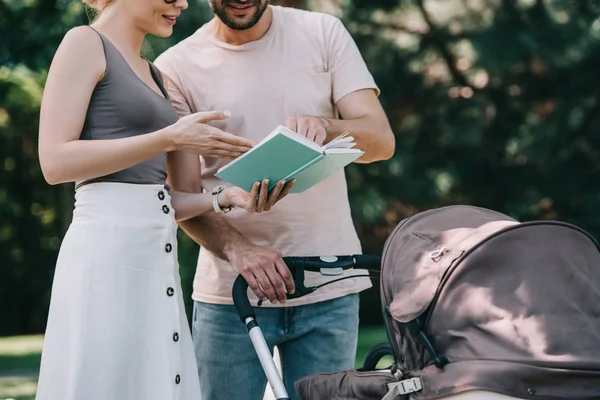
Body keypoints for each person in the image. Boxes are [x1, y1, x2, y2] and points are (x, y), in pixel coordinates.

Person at [34, 0, 293, 399]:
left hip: (156, 260)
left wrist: (227, 197)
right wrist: (170, 137)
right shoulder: (84, 43)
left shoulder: (155, 74)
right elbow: (54, 161)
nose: (183, 3)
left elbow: (168, 200)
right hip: (105, 255)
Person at [154, 1, 395, 399]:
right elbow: (182, 196)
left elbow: (380, 141)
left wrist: (325, 126)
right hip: (230, 296)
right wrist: (240, 250)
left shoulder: (323, 33)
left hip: (329, 286)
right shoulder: (175, 67)